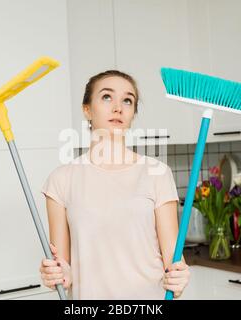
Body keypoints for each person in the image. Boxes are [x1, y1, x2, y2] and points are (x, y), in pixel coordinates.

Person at [39, 70, 190, 299]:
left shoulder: (157, 173)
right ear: (87, 109)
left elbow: (173, 258)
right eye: (107, 97)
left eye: (127, 100)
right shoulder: (61, 180)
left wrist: (179, 277)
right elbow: (63, 265)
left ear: (132, 113)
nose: (118, 107)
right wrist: (58, 274)